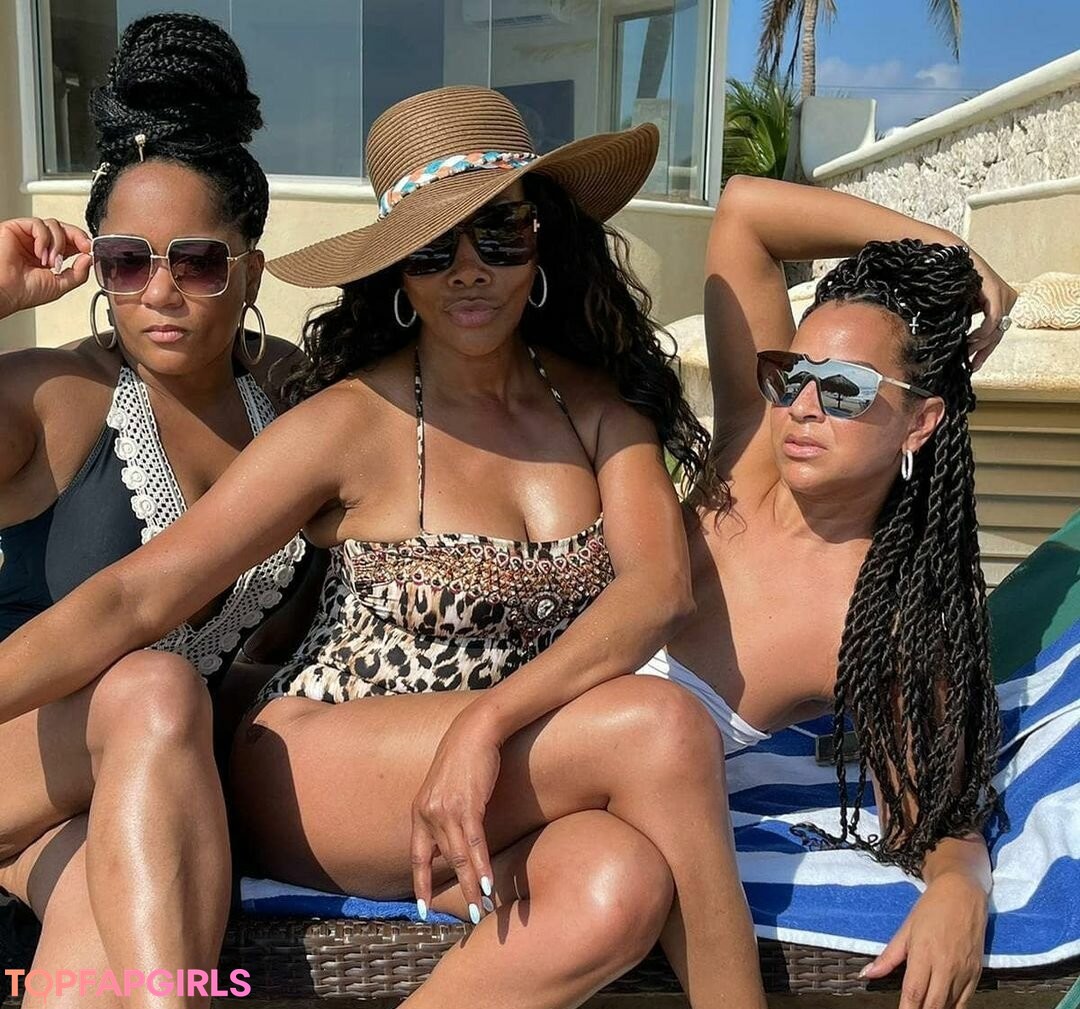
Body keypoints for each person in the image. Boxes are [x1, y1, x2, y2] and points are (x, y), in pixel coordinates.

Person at [0, 86, 770, 1008]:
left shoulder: (602, 412)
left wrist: (484, 723)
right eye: (434, 247)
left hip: (497, 762)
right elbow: (138, 594)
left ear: (544, 239)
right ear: (401, 270)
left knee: (618, 883)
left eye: (499, 234)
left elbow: (658, 590)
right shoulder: (352, 418)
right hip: (325, 758)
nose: (469, 270)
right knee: (665, 726)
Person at [0, 13, 319, 1008]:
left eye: (198, 261)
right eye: (128, 262)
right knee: (150, 687)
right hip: (20, 754)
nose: (162, 292)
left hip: (143, 794)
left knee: (104, 941)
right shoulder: (57, 398)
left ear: (250, 269)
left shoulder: (297, 399)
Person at [643, 175, 1016, 1009]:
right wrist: (947, 250)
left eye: (844, 387)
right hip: (509, 705)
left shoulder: (877, 618)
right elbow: (745, 210)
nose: (803, 406)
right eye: (792, 374)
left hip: (595, 799)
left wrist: (960, 885)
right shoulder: (748, 453)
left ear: (920, 422)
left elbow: (933, 815)